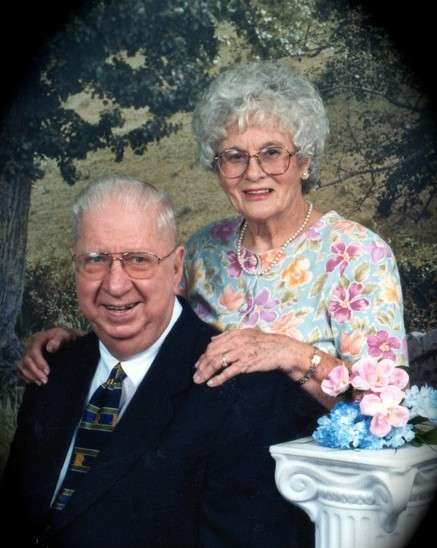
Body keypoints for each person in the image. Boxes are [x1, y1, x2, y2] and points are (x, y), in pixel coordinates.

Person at [1, 175, 322, 548]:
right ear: (76, 266)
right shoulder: (52, 369)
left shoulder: (243, 393)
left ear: (175, 268)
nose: (115, 284)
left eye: (139, 260)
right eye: (95, 260)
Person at [17, 61, 408, 406]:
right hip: (207, 458)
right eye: (234, 157)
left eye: (272, 152)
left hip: (309, 461)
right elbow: (146, 338)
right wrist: (74, 348)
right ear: (217, 167)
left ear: (304, 161)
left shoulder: (359, 254)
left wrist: (291, 354)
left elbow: (386, 405)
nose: (253, 172)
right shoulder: (202, 249)